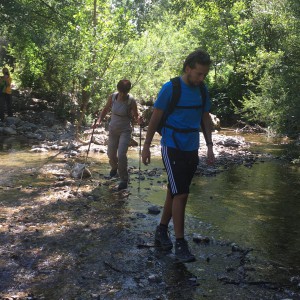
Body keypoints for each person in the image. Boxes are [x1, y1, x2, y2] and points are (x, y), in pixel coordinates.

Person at [141, 49, 215, 263]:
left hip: (191, 146)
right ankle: (180, 243)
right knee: (181, 194)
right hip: (171, 144)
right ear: (188, 68)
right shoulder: (170, 88)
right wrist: (146, 145)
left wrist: (209, 145)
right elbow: (155, 118)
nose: (202, 78)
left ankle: (161, 230)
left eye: (204, 75)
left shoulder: (202, 90)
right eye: (199, 74)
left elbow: (204, 117)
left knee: (174, 192)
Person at [94, 79, 142, 190]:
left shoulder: (131, 101)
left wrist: (139, 120)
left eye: (125, 92)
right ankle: (114, 167)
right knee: (110, 153)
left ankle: (124, 179)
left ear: (128, 91)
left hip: (125, 130)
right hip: (113, 129)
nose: (122, 94)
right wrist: (99, 120)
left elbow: (136, 116)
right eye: (121, 92)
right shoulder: (113, 97)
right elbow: (105, 109)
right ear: (118, 90)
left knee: (121, 155)